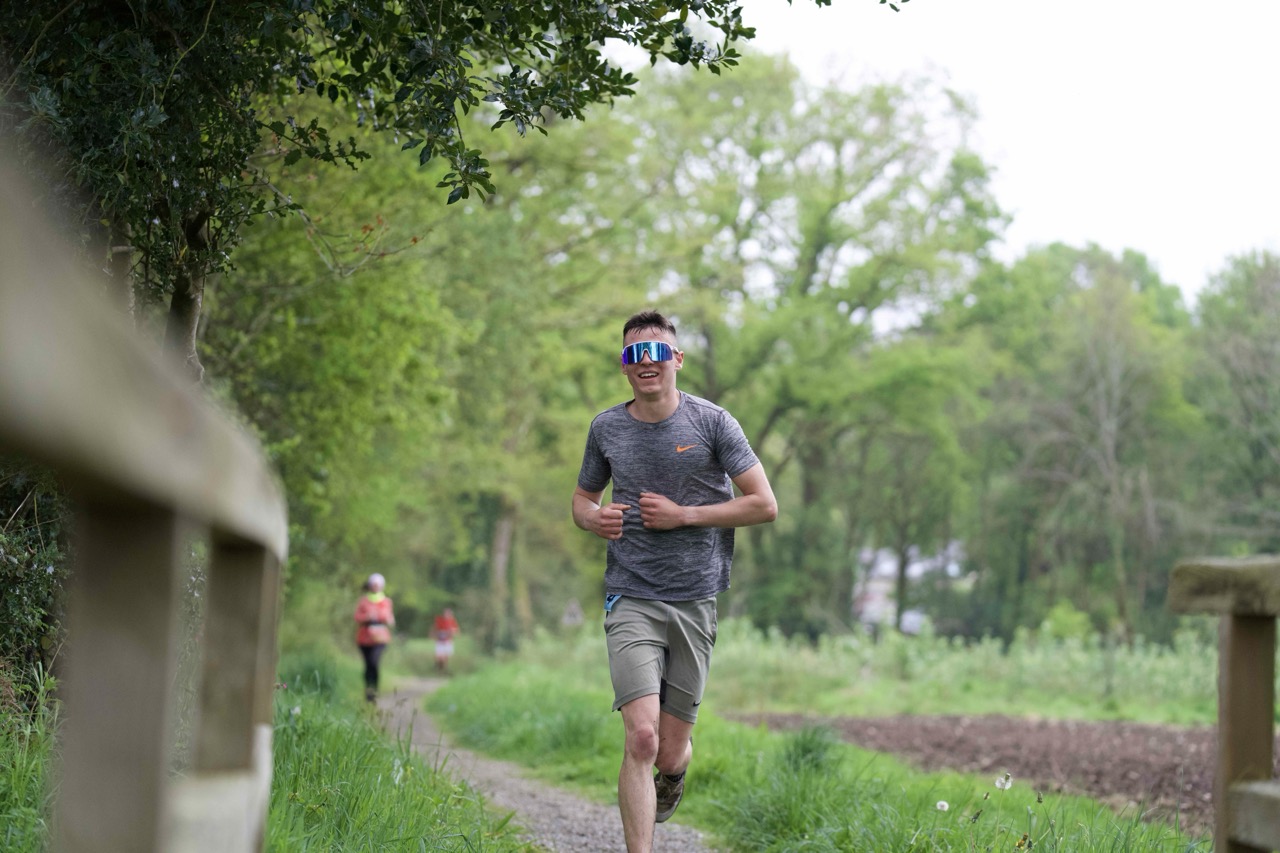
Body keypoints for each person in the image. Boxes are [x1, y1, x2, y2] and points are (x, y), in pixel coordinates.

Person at [572, 310, 777, 852]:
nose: (647, 362)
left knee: (667, 751)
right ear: (623, 365)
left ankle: (675, 772)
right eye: (635, 354)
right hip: (631, 594)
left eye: (657, 351)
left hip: (694, 598)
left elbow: (764, 504)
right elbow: (582, 500)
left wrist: (685, 515)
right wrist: (594, 519)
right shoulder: (606, 428)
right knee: (641, 738)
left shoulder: (713, 423)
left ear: (677, 359)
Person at [353, 573, 395, 702]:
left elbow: (389, 618)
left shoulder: (386, 601)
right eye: (373, 585)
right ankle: (368, 690)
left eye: (378, 585)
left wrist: (381, 617)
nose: (375, 587)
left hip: (380, 638)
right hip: (365, 637)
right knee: (368, 665)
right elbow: (357, 617)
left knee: (374, 662)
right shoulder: (363, 601)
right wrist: (367, 617)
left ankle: (374, 689)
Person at [432, 608, 460, 673]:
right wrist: (434, 635)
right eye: (446, 614)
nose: (447, 615)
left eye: (449, 614)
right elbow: (434, 628)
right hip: (440, 640)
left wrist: (453, 631)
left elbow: (457, 631)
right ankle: (438, 666)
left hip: (448, 641)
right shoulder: (439, 620)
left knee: (446, 655)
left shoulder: (452, 621)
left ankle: (444, 668)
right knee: (439, 655)